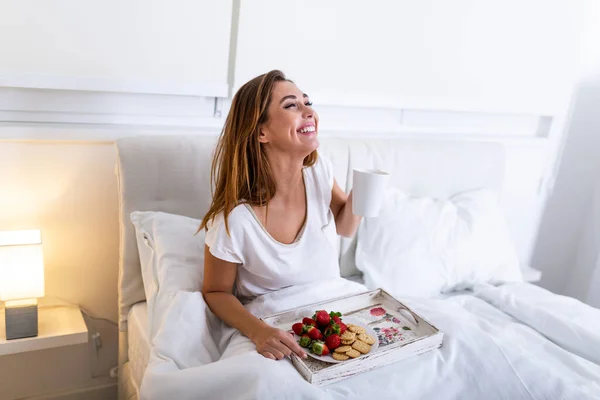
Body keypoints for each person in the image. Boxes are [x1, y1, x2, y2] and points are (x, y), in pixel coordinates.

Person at [199, 70, 361, 361]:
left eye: (307, 102)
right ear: (261, 132)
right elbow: (215, 292)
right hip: (276, 323)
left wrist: (365, 194)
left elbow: (346, 227)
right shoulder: (236, 220)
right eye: (291, 105)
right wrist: (259, 332)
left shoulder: (319, 171)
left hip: (336, 305)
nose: (308, 111)